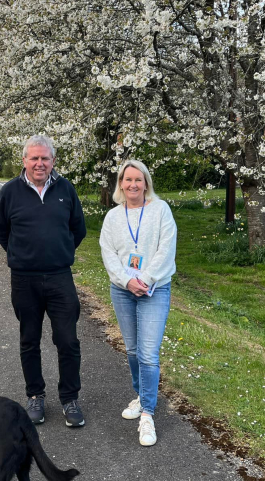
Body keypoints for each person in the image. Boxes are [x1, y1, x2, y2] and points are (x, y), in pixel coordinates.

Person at [0, 134, 88, 428]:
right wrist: (25, 256)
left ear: (53, 161)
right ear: (24, 160)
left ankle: (69, 398)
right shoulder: (10, 191)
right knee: (29, 340)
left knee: (67, 340)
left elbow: (78, 229)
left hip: (60, 277)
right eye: (34, 158)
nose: (39, 163)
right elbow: (2, 233)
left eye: (45, 158)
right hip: (24, 280)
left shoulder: (65, 189)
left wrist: (58, 252)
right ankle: (35, 395)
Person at [99, 159, 177, 447]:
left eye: (138, 179)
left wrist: (144, 279)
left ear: (146, 183)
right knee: (132, 350)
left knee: (148, 353)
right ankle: (141, 394)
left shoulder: (160, 211)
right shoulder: (113, 218)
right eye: (127, 179)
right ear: (121, 183)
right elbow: (108, 254)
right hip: (122, 290)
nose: (133, 184)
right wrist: (127, 281)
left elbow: (165, 250)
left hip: (154, 290)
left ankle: (147, 413)